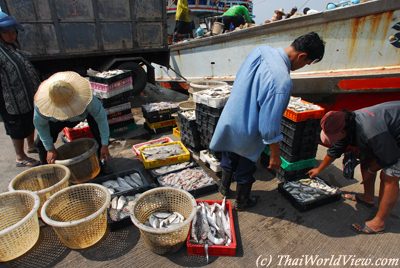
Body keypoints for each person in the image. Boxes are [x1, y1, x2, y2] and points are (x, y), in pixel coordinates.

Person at [210, 32, 325, 210]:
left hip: (230, 117)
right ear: (302, 56)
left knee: (229, 156)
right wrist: (275, 154)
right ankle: (242, 201)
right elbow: (269, 126)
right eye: (306, 63)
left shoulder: (261, 50)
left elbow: (241, 77)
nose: (304, 66)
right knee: (245, 169)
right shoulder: (282, 82)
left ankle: (224, 188)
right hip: (248, 131)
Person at [307, 101, 400, 234]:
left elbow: (390, 158)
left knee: (389, 176)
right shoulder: (347, 122)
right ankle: (368, 197)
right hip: (387, 130)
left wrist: (371, 170)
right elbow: (335, 150)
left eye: (331, 136)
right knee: (366, 159)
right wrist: (319, 169)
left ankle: (379, 222)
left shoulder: (371, 132)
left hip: (393, 136)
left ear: (343, 131)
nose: (331, 139)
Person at [34, 71, 111, 164]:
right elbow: (41, 126)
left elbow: (101, 119)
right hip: (55, 121)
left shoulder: (88, 99)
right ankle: (48, 170)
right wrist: (50, 149)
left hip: (82, 116)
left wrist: (105, 144)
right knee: (40, 144)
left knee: (100, 136)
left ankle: (101, 162)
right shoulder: (41, 107)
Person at [0, 10, 41, 167]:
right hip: (11, 99)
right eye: (7, 32)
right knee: (17, 127)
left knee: (30, 120)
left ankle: (31, 146)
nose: (12, 35)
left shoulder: (11, 47)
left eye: (13, 32)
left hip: (26, 95)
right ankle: (20, 156)